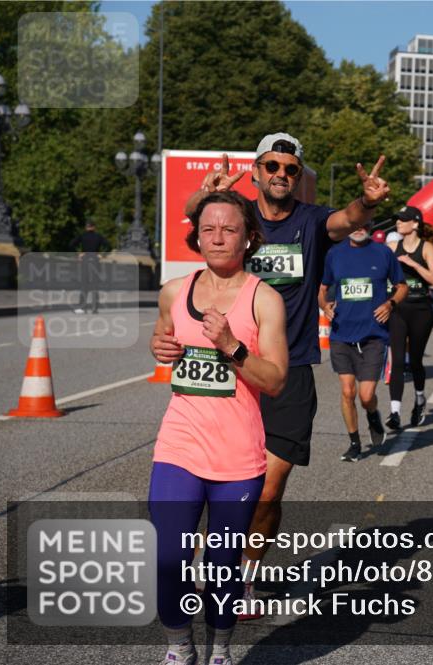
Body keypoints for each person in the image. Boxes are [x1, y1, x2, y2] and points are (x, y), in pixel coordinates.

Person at [184, 133, 389, 616]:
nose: (281, 174)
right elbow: (195, 220)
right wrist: (205, 195)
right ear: (256, 171)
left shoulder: (312, 222)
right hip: (227, 367)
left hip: (289, 370)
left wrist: (368, 199)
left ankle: (246, 577)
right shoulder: (234, 218)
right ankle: (213, 566)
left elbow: (350, 218)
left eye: (290, 168)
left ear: (299, 177)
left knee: (267, 489)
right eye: (272, 165)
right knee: (216, 481)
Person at [148, 191, 289, 665]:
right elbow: (163, 337)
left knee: (223, 566)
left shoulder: (263, 300)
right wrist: (160, 348)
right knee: (169, 559)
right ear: (197, 235)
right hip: (179, 447)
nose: (217, 238)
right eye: (209, 229)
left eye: (229, 229)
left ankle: (221, 650)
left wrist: (233, 345)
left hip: (238, 457)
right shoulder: (174, 290)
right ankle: (178, 647)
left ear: (249, 237)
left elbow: (275, 380)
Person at [319, 219, 408, 462]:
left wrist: (390, 304)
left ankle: (372, 416)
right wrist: (325, 305)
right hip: (341, 334)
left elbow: (402, 286)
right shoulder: (335, 254)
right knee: (347, 391)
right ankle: (354, 443)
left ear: (370, 227)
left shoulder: (382, 253)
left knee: (366, 395)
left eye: (364, 224)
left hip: (373, 335)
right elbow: (322, 288)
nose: (359, 228)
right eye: (355, 224)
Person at [386, 205, 433, 429]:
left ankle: (419, 400)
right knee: (397, 360)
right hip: (398, 308)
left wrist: (413, 264)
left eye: (403, 219)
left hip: (420, 308)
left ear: (415, 224)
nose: (398, 223)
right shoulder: (391, 246)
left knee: (416, 360)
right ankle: (394, 412)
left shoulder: (426, 247)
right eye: (397, 219)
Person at [71, 220, 110, 314]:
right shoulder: (98, 236)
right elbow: (109, 246)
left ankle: (82, 307)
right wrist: (102, 255)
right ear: (94, 227)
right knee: (95, 285)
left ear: (86, 227)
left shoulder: (82, 236)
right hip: (95, 260)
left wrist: (79, 254)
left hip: (86, 259)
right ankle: (94, 308)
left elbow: (71, 244)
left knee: (84, 284)